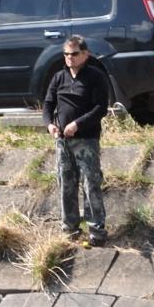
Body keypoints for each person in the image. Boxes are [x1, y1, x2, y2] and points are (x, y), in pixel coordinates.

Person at [43, 35, 111, 246]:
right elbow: (48, 104)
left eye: (74, 53)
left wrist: (77, 124)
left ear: (85, 54)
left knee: (91, 184)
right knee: (66, 183)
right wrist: (50, 125)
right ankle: (70, 228)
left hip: (87, 139)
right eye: (66, 54)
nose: (69, 57)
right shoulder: (59, 77)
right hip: (62, 141)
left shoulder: (96, 76)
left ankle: (97, 230)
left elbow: (100, 108)